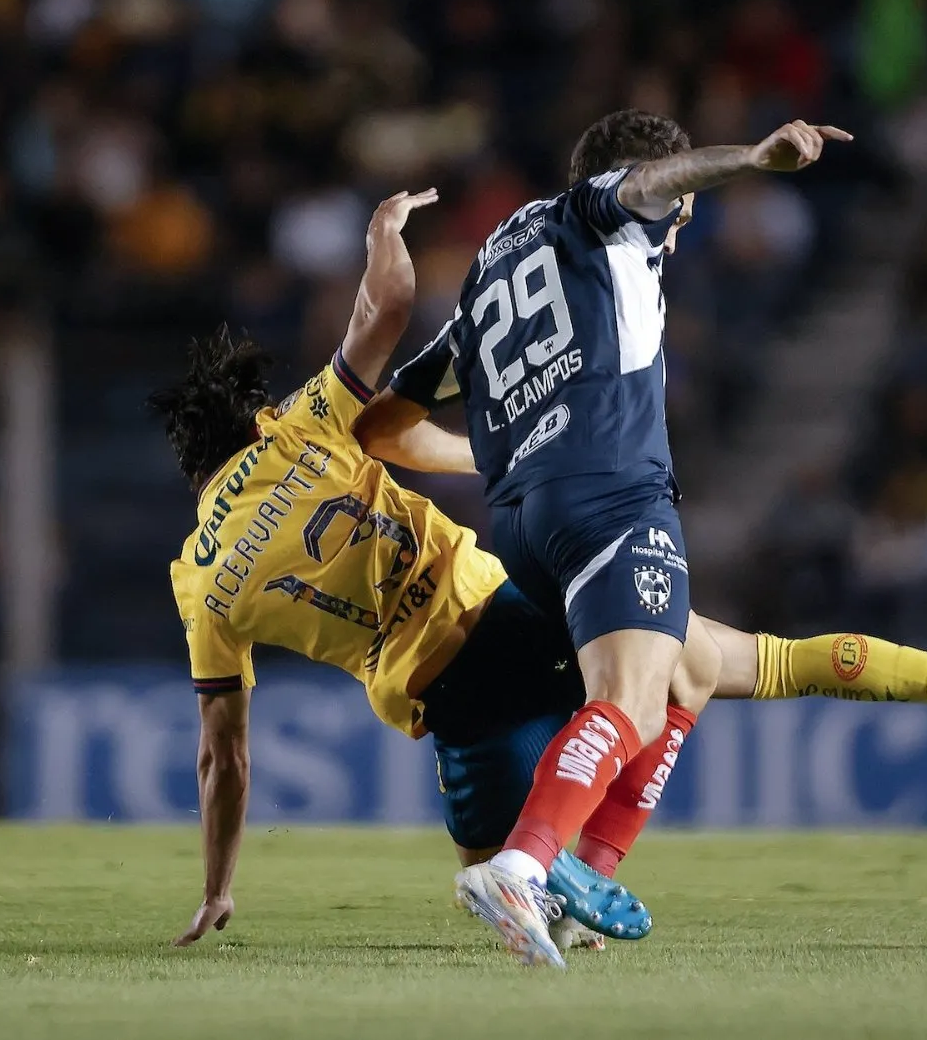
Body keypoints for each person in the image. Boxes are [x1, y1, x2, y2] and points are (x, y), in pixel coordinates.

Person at [150, 186, 927, 968]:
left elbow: (222, 756)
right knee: (719, 662)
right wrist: (387, 232)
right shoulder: (298, 430)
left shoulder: (197, 581)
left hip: (449, 713)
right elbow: (385, 311)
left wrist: (218, 885)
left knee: (519, 867)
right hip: (507, 616)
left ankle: (541, 868)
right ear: (249, 418)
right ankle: (558, 862)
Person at [351, 110, 861, 963]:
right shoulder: (600, 211)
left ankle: (575, 881)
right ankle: (522, 865)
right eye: (679, 196)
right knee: (630, 699)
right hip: (611, 494)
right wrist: (752, 159)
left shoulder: (490, 272)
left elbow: (383, 431)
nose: (686, 216)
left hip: (522, 519)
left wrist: (513, 451)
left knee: (676, 677)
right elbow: (651, 186)